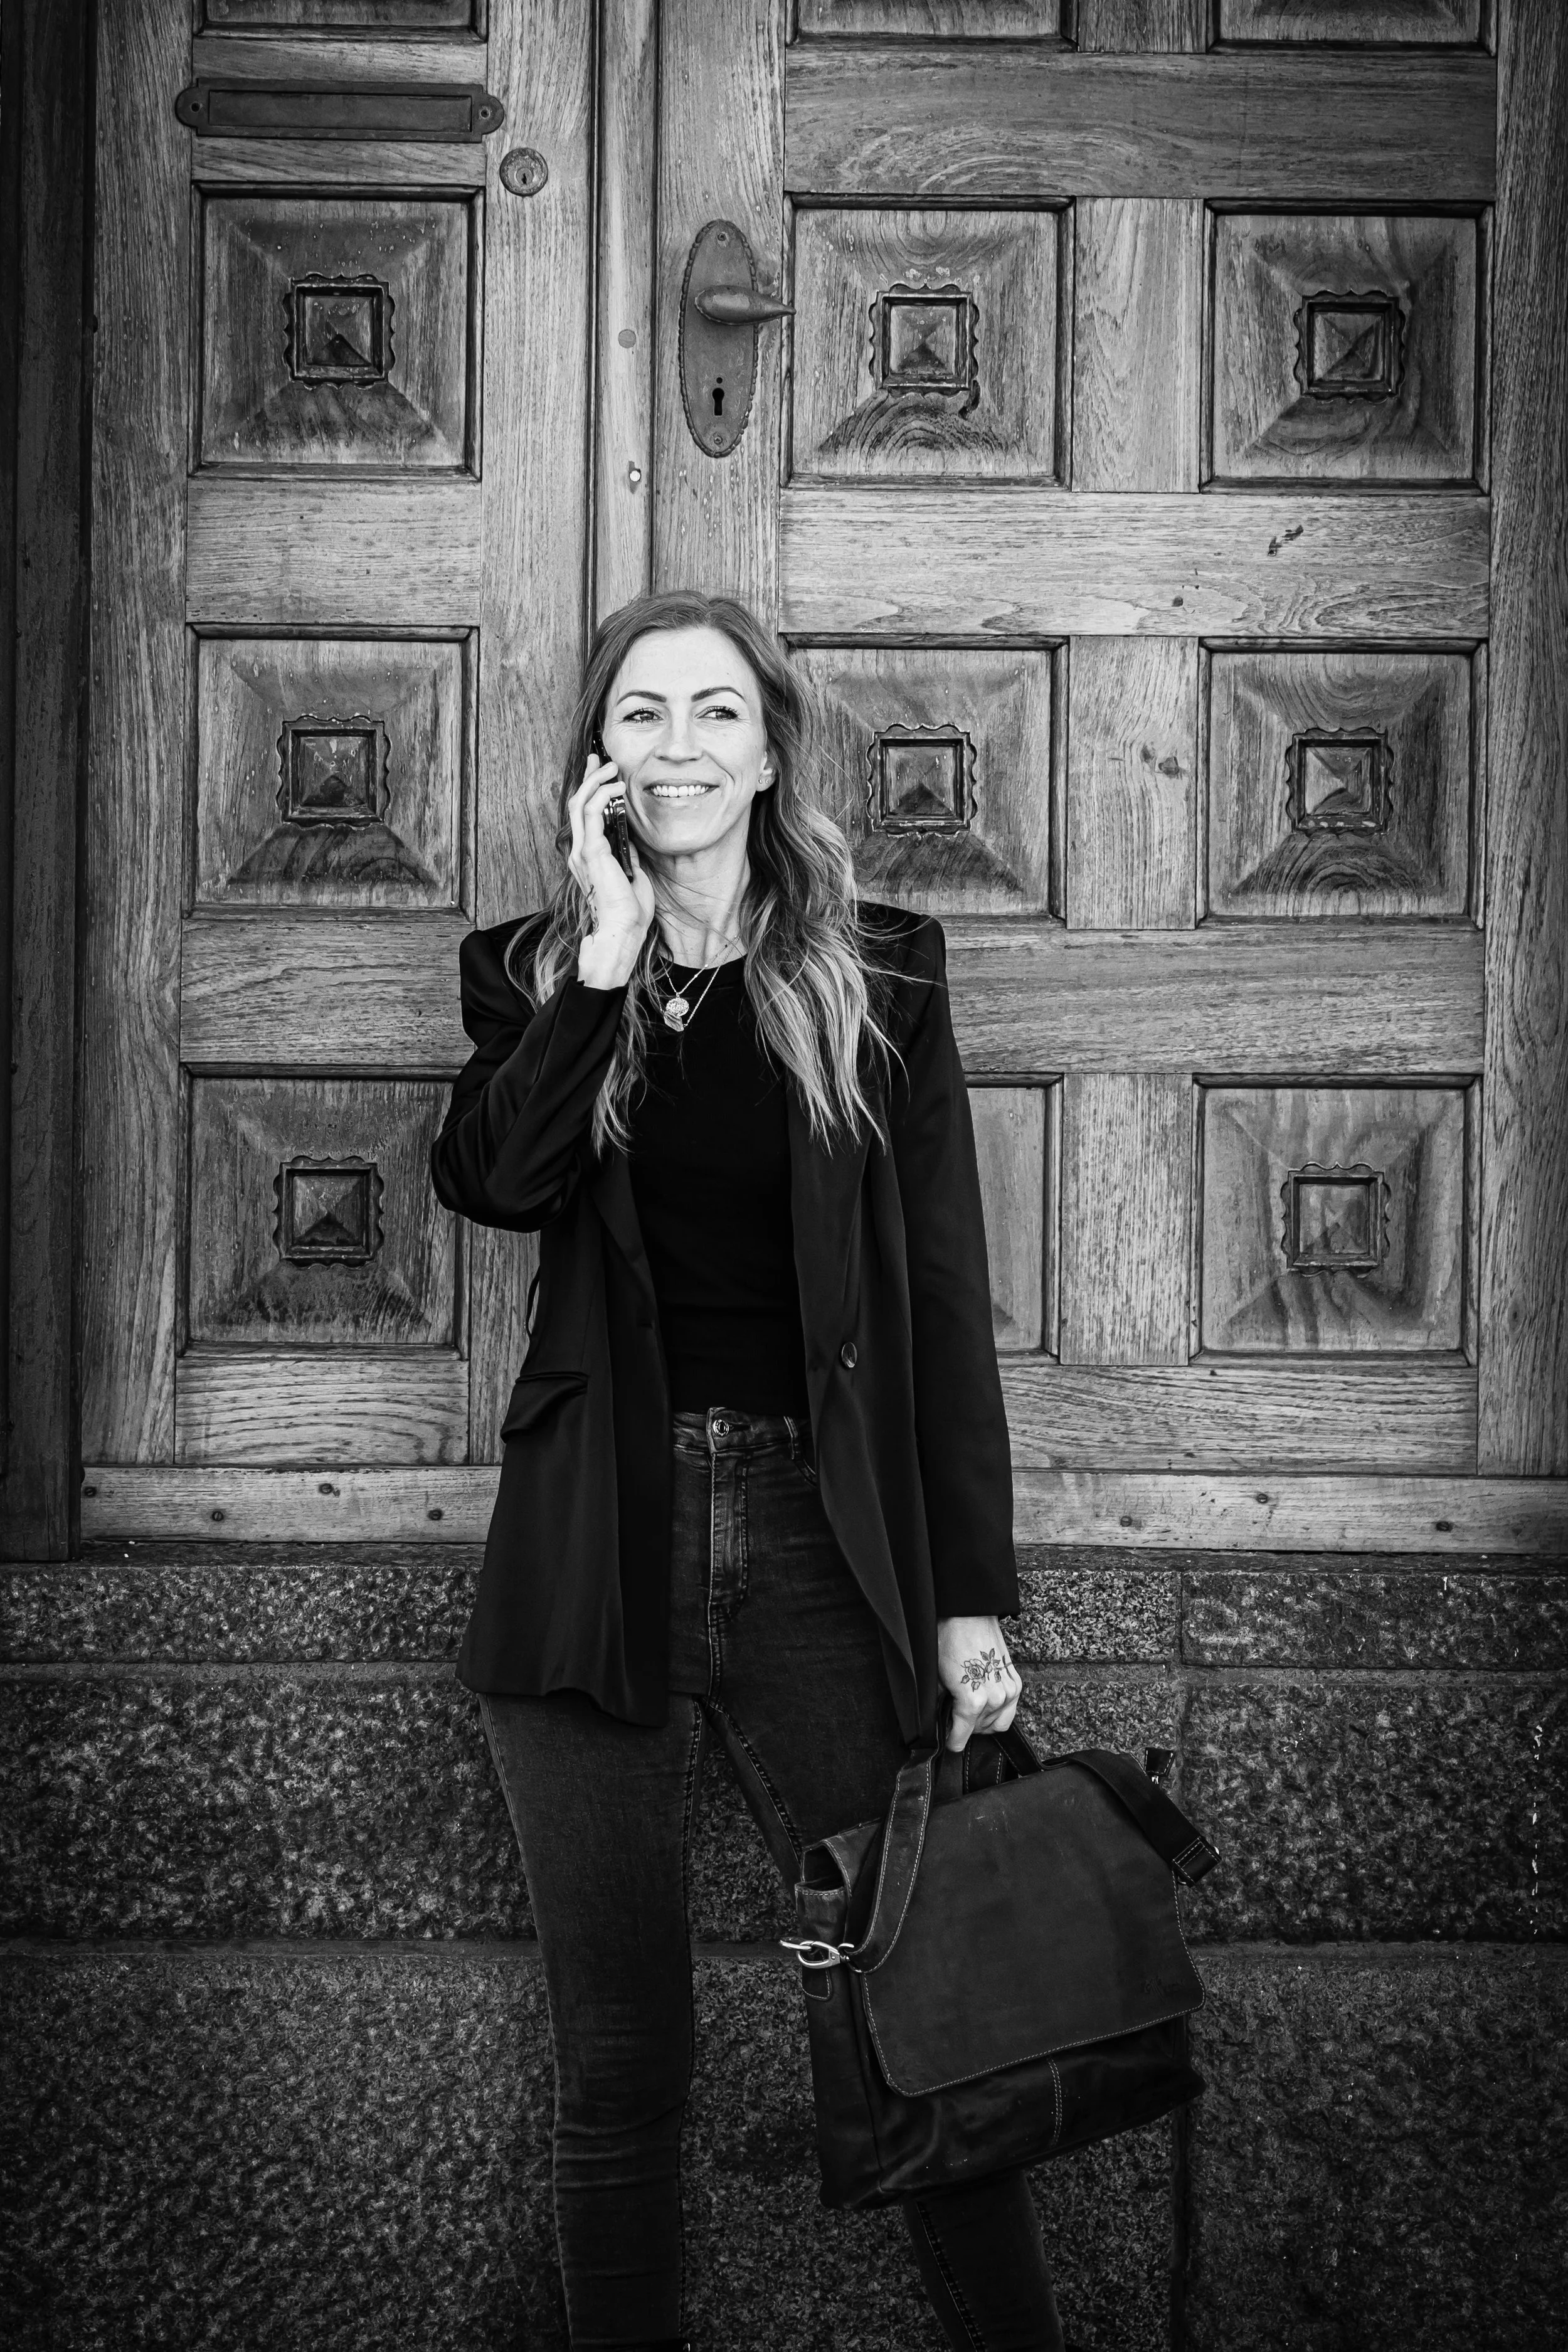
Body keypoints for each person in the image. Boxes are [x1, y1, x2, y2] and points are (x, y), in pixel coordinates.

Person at [430, 590, 1069, 2351]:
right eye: (643, 713)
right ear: (597, 755)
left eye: (718, 713)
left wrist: (967, 1605)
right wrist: (608, 962)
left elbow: (941, 1307)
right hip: (592, 1542)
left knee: (914, 2025)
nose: (681, 746)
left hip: (815, 1538)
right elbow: (495, 1180)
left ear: (772, 750)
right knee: (621, 2062)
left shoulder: (885, 971)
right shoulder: (527, 968)